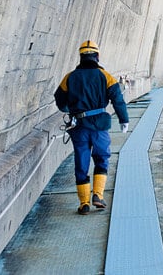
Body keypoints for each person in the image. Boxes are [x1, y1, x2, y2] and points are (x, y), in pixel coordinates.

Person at [54, 40, 129, 215]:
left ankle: (84, 203)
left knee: (82, 161)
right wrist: (123, 119)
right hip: (99, 126)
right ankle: (98, 195)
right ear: (97, 56)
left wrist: (71, 109)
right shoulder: (106, 77)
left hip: (78, 126)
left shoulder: (69, 77)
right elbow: (117, 99)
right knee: (102, 158)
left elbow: (60, 101)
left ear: (81, 56)